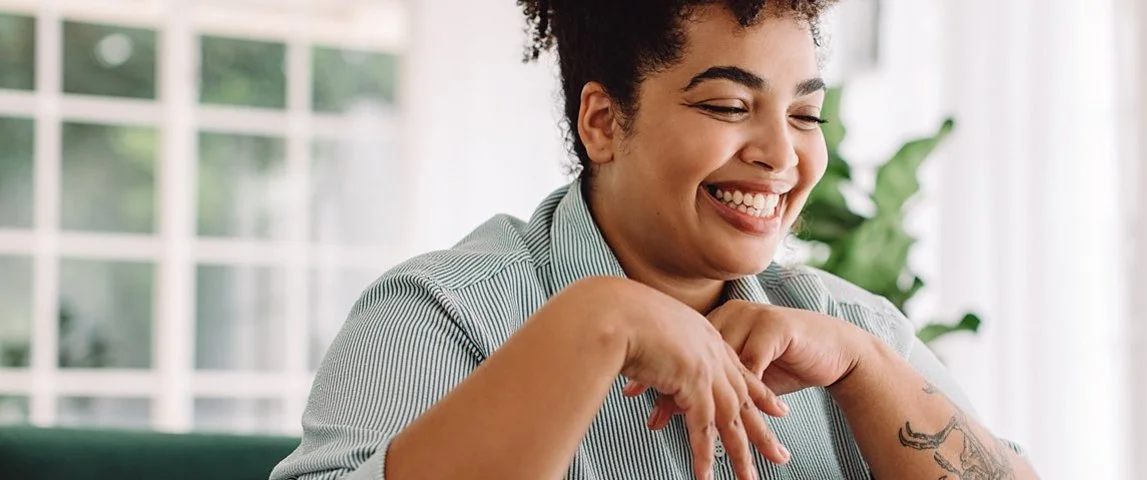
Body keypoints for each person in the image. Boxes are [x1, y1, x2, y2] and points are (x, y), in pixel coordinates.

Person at [271, 1, 1038, 479]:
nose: (781, 153)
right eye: (728, 104)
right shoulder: (438, 316)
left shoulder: (853, 329)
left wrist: (869, 370)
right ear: (604, 122)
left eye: (806, 116)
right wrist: (597, 322)